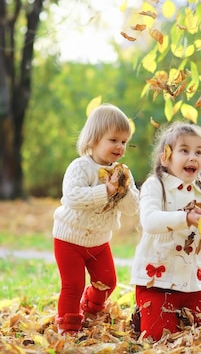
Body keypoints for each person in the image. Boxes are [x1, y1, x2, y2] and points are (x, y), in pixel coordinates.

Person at [130, 121, 201, 341]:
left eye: (199, 152)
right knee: (160, 337)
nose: (193, 157)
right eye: (184, 150)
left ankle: (176, 314)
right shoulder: (155, 185)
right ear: (165, 158)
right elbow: (150, 221)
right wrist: (186, 217)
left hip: (189, 287)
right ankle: (145, 315)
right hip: (155, 284)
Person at [52, 103, 140, 335]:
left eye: (123, 141)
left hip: (99, 242)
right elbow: (72, 196)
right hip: (69, 238)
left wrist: (124, 190)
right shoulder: (81, 166)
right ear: (94, 140)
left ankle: (90, 309)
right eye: (113, 140)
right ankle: (68, 329)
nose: (120, 146)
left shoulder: (122, 172)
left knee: (108, 281)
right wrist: (106, 191)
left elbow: (133, 208)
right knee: (72, 286)